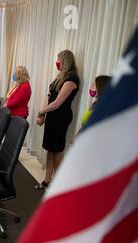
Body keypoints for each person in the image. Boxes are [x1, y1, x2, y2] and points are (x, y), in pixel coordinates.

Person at [36, 50, 80, 190]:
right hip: (52, 116)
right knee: (50, 148)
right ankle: (47, 179)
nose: (57, 62)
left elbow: (58, 103)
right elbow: (49, 97)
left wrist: (42, 111)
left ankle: (59, 182)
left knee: (58, 149)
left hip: (61, 117)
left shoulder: (72, 78)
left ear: (64, 60)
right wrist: (42, 114)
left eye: (58, 60)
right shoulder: (59, 77)